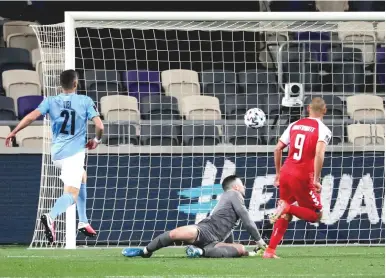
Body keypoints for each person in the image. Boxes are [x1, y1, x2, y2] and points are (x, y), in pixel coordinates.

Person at [5, 69, 104, 243]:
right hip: (73, 155)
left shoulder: (50, 101)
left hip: (57, 154)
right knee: (72, 194)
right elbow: (100, 126)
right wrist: (96, 139)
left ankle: (83, 221)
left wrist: (14, 131)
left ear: (60, 85)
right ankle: (50, 217)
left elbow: (31, 117)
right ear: (75, 83)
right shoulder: (85, 101)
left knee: (82, 176)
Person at [122, 175, 267, 258]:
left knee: (241, 248)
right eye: (242, 185)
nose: (245, 187)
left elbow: (229, 229)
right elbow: (247, 221)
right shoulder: (233, 194)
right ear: (235, 187)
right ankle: (145, 251)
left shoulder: (228, 199)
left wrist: (231, 245)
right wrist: (260, 242)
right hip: (205, 230)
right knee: (174, 234)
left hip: (215, 242)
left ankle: (198, 251)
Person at [263, 97, 332, 259]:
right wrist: (316, 179)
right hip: (302, 176)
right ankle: (287, 207)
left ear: (308, 108)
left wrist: (279, 173)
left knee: (284, 213)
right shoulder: (323, 129)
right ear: (325, 110)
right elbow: (319, 153)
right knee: (315, 215)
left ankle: (270, 250)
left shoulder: (294, 125)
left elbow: (277, 148)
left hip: (287, 171)